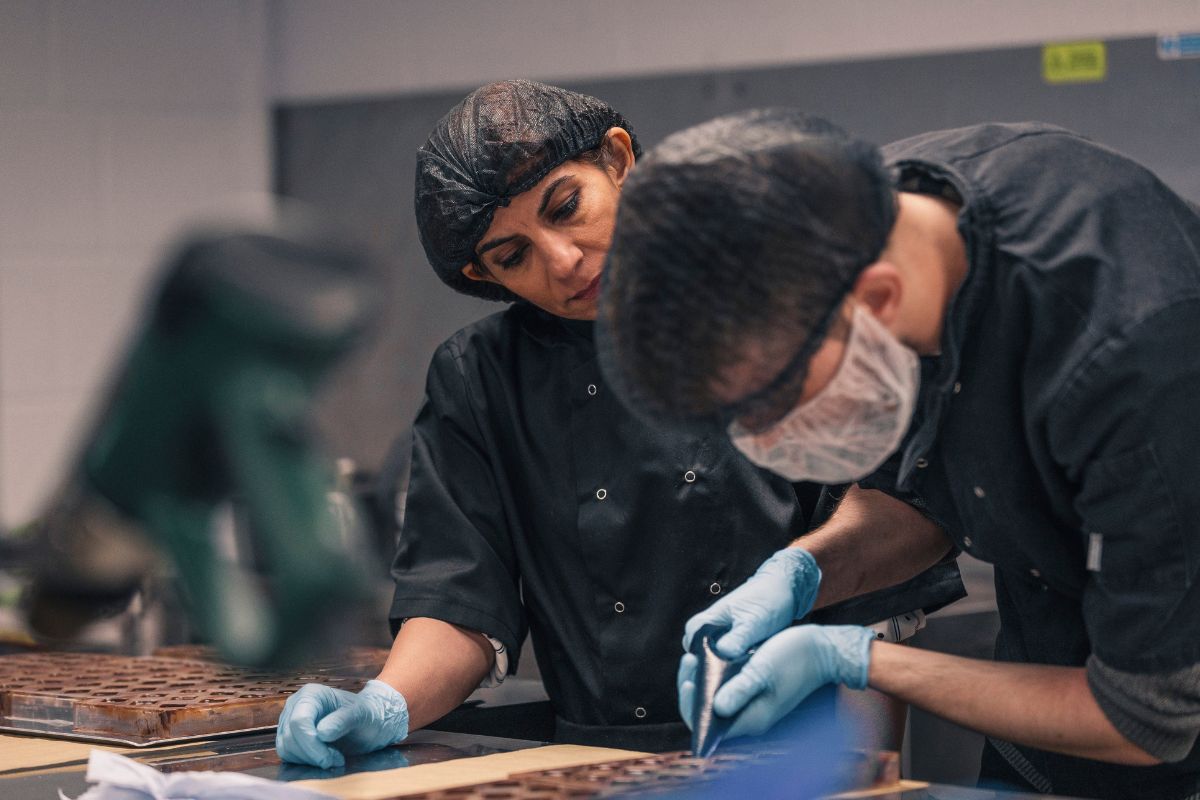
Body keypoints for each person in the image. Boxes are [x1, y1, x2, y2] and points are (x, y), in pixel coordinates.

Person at [274, 83, 964, 769]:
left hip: (800, 749)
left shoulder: (782, 299)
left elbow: (875, 593)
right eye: (513, 256)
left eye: (567, 208)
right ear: (481, 274)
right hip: (593, 766)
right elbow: (460, 598)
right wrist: (386, 702)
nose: (563, 261)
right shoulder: (480, 376)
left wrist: (848, 773)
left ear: (618, 157)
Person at [595, 108, 1200, 799]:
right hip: (1047, 723)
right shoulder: (859, 219)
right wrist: (804, 572)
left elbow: (1147, 718)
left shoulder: (1135, 354)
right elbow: (927, 494)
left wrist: (854, 660)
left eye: (779, 398)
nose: (768, 438)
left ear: (878, 301)